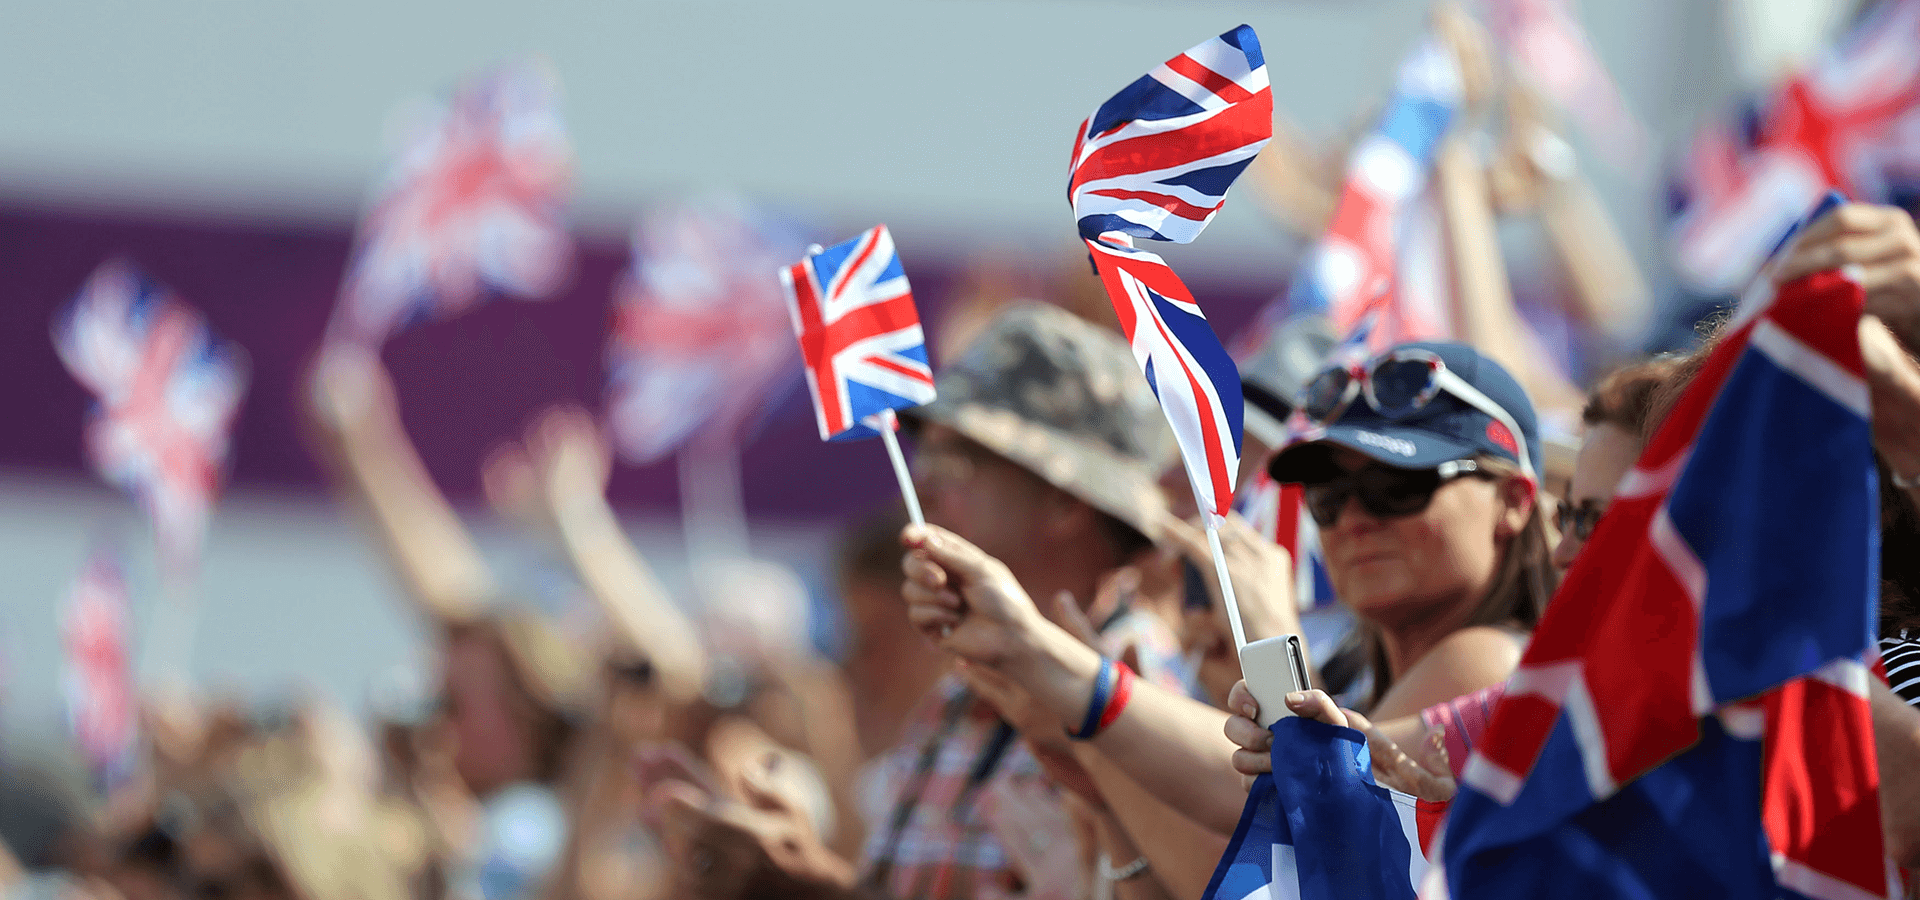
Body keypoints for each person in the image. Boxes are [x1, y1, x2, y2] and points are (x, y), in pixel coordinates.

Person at [656, 303, 1192, 900]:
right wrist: (800, 876)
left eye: (958, 460)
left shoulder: (1145, 700)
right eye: (927, 456)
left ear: (1065, 500)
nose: (925, 486)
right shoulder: (961, 694)